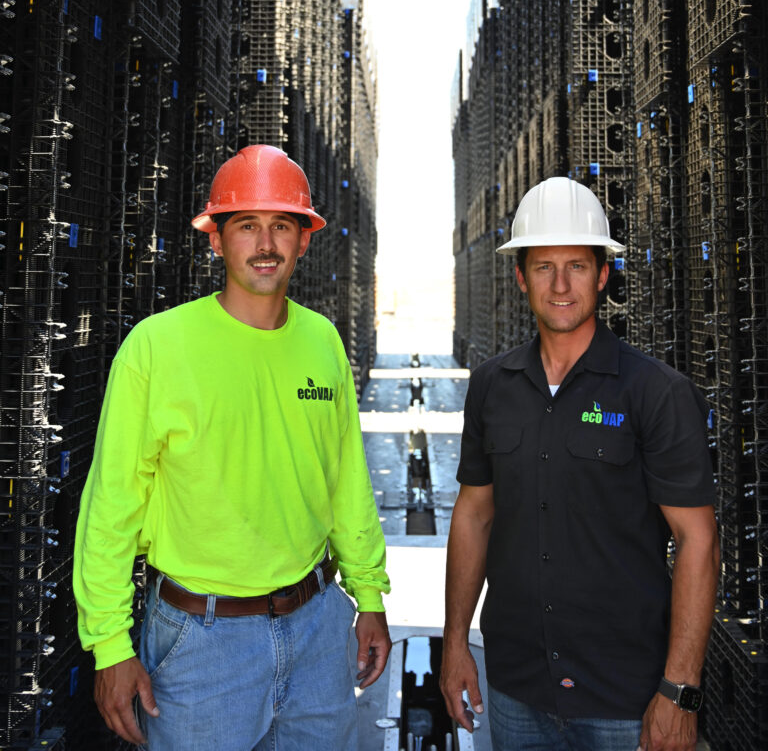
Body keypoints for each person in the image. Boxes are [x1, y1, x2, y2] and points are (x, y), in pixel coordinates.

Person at [74, 144, 391, 751]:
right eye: (247, 226)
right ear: (216, 240)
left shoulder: (323, 341)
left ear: (304, 240)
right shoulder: (157, 348)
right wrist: (110, 644)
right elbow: (112, 503)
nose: (265, 244)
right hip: (201, 643)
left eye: (282, 226)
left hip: (319, 631)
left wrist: (368, 596)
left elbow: (345, 480)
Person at [440, 177, 719, 751]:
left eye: (577, 266)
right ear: (520, 276)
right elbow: (474, 516)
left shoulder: (655, 393)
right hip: (518, 688)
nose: (561, 285)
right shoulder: (493, 386)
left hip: (627, 697)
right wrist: (453, 643)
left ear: (603, 274)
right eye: (543, 267)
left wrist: (681, 690)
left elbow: (698, 542)